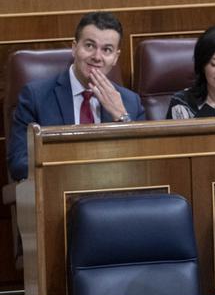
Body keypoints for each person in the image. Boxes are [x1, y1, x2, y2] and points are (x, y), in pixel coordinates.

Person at [9, 12, 144, 181]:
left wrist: (122, 118)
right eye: (89, 46)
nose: (96, 57)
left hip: (113, 194)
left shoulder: (130, 102)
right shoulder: (36, 96)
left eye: (107, 50)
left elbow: (142, 165)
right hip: (59, 191)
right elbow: (19, 163)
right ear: (74, 48)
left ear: (115, 57)